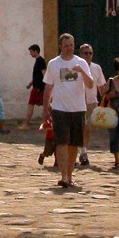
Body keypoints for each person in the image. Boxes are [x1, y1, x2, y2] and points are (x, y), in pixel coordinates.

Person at [42, 32, 94, 189]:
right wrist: (45, 108)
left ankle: (70, 176)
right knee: (62, 142)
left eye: (71, 45)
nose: (69, 48)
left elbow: (91, 85)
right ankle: (64, 176)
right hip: (60, 108)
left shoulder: (81, 63)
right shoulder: (54, 64)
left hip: (78, 108)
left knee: (74, 144)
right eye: (66, 45)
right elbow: (48, 86)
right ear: (60, 46)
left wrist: (82, 72)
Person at [78, 44, 106, 167]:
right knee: (79, 128)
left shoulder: (96, 68)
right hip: (77, 102)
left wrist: (104, 102)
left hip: (91, 102)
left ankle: (84, 150)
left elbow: (101, 86)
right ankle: (81, 152)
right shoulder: (76, 68)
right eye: (85, 53)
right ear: (80, 54)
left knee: (88, 128)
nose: (88, 55)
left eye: (90, 53)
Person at [21, 44, 47, 129]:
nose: (30, 53)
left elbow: (44, 75)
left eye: (31, 51)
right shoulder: (38, 61)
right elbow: (38, 76)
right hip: (38, 87)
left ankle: (26, 124)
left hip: (38, 88)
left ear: (36, 51)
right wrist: (31, 83)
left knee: (31, 105)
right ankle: (45, 123)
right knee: (46, 106)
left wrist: (43, 87)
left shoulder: (41, 61)